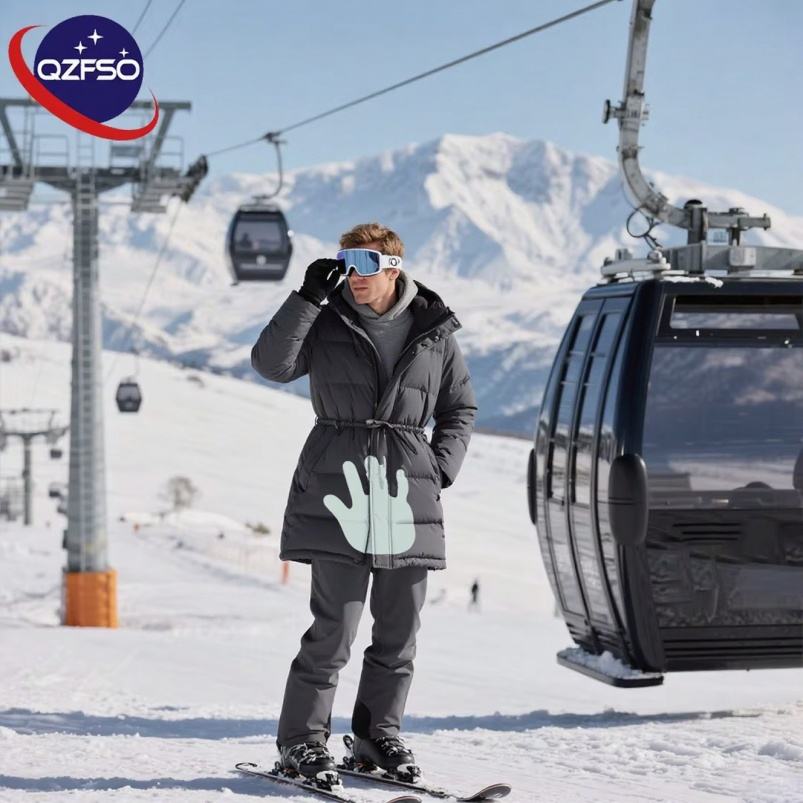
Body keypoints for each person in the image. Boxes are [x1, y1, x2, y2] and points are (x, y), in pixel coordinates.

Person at [251, 221, 477, 783]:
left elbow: (459, 408)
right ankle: (301, 743)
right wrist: (306, 298)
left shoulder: (434, 331)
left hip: (406, 498)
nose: (355, 274)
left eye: (368, 263)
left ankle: (378, 737)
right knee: (333, 631)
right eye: (347, 262)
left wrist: (439, 469)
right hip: (340, 491)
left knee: (398, 634)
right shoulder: (325, 320)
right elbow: (271, 364)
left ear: (394, 268)